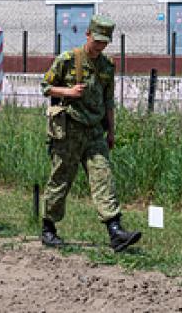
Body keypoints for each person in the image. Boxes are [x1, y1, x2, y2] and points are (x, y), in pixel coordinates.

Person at [40, 14, 141, 252]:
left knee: (103, 176)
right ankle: (48, 227)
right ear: (87, 35)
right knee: (61, 179)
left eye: (104, 42)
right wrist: (68, 92)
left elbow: (108, 101)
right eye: (97, 41)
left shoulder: (107, 66)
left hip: (95, 130)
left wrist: (111, 131)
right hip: (69, 129)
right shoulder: (68, 59)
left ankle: (115, 230)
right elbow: (45, 87)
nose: (100, 46)